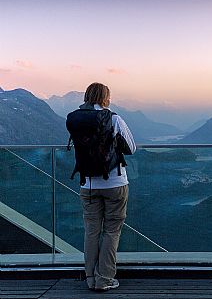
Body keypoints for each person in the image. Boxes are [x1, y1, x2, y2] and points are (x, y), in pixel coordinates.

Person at [78, 82, 136, 291]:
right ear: (106, 98)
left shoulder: (77, 119)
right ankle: (105, 279)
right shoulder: (113, 119)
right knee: (112, 231)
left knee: (91, 231)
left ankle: (90, 277)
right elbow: (132, 148)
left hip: (88, 184)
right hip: (114, 183)